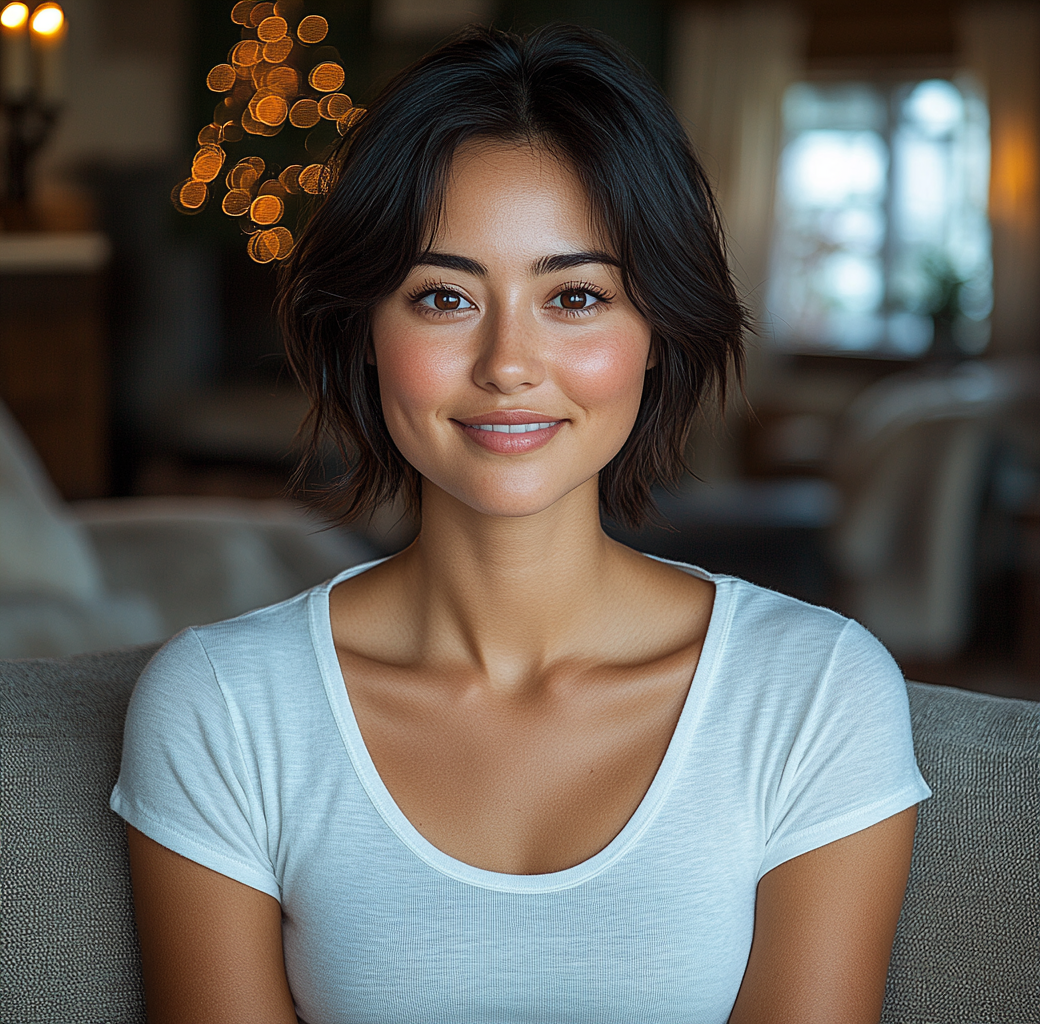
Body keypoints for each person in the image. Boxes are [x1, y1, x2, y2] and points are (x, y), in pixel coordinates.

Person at [111, 24, 930, 1024]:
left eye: (574, 295)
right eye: (444, 296)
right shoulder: (223, 705)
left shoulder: (812, 692)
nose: (507, 361)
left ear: (654, 337)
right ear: (365, 332)